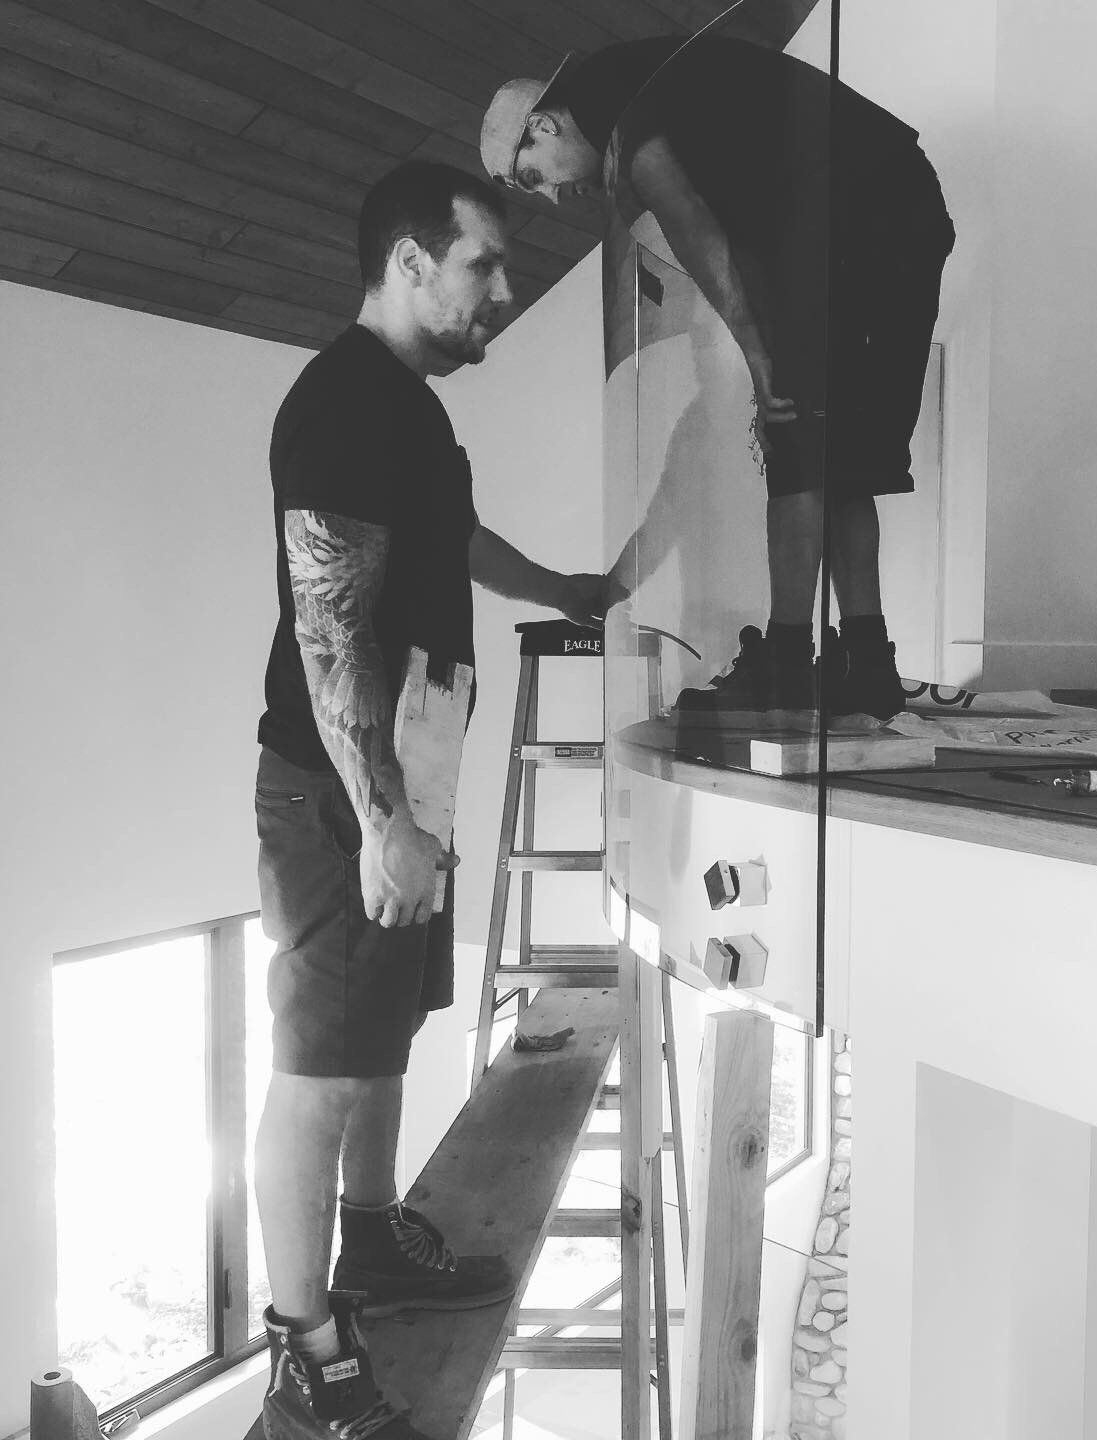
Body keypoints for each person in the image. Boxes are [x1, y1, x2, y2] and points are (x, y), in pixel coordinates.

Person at [253, 159, 608, 1440]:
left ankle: (370, 1237)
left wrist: (561, 589)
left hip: (411, 778)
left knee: (382, 1039)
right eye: (482, 266)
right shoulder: (342, 403)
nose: (503, 292)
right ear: (408, 263)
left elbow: (452, 538)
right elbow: (328, 625)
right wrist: (381, 819)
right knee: (317, 1070)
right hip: (343, 792)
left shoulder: (407, 410)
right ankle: (306, 1345)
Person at [479, 35, 955, 720]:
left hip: (862, 220)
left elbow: (697, 232)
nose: (555, 197)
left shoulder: (620, 110)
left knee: (795, 442)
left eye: (532, 176)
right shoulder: (642, 80)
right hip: (894, 209)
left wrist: (762, 359)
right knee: (841, 458)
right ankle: (869, 664)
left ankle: (787, 667)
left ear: (545, 125)